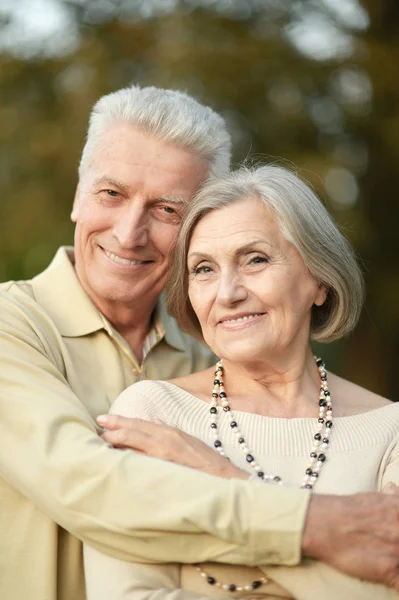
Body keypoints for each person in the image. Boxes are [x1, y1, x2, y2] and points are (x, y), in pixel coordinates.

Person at [0, 85, 399, 600]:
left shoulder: (213, 358)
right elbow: (85, 485)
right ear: (78, 197)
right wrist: (319, 523)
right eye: (111, 194)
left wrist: (219, 474)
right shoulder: (14, 326)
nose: (128, 232)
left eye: (167, 209)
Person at [86, 164, 399, 600]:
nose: (227, 292)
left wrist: (223, 479)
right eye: (204, 270)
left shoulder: (390, 432)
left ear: (320, 281)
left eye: (256, 259)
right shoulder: (152, 416)